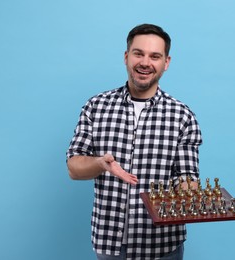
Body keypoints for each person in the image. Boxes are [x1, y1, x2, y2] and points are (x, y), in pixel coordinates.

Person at [66, 23, 203, 260]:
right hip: (110, 243)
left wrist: (190, 193)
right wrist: (100, 163)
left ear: (166, 63)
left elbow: (186, 176)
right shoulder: (96, 107)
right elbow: (74, 168)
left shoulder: (183, 116)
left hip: (162, 246)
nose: (145, 62)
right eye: (138, 53)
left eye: (155, 56)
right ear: (126, 56)